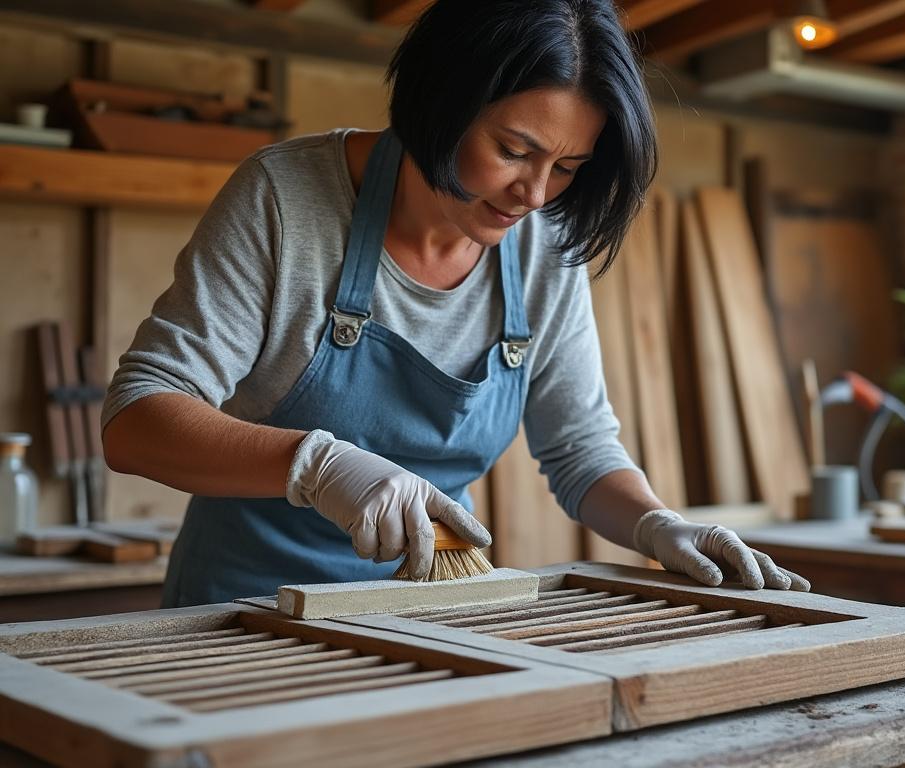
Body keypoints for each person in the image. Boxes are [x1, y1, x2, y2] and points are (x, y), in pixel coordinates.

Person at [102, 0, 809, 607]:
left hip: (434, 611)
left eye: (566, 167)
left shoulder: (542, 246)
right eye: (513, 150)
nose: (533, 194)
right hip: (242, 615)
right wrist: (318, 465)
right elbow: (136, 418)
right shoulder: (286, 200)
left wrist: (658, 525)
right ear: (439, 101)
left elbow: (580, 450)